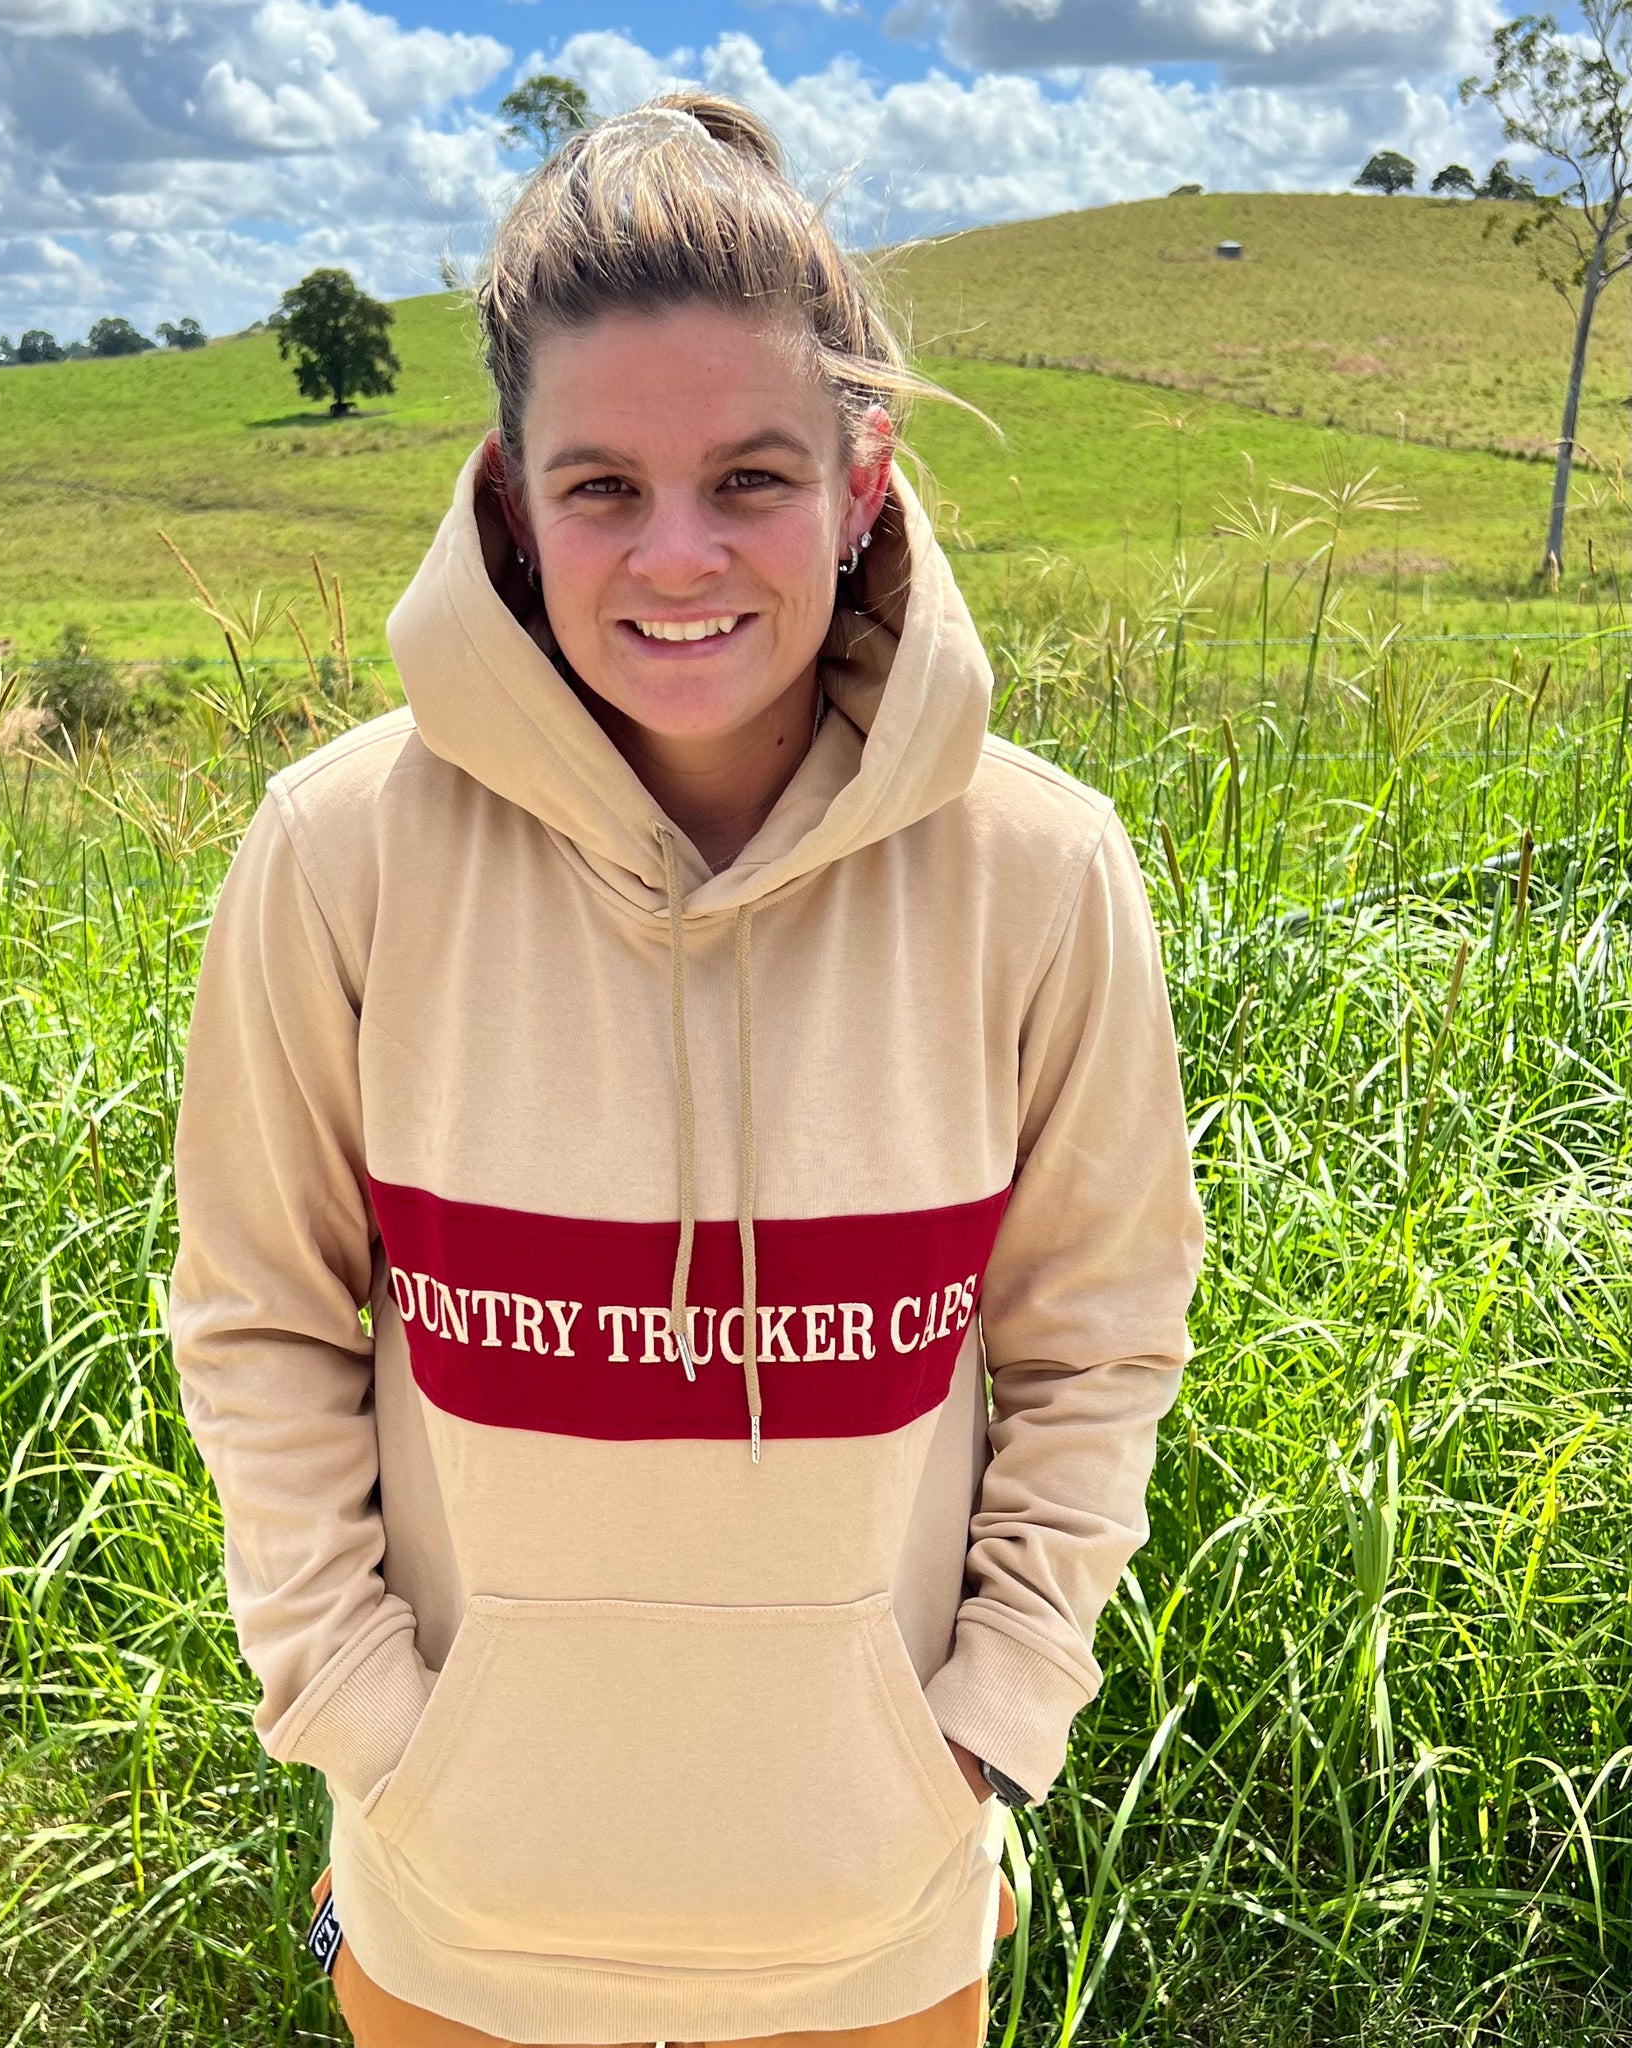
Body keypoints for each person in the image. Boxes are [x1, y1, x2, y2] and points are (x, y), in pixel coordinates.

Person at [169, 90, 1205, 2048]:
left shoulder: (1039, 871)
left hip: (876, 1927)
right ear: (507, 498)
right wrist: (376, 1731)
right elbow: (259, 1326)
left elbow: (1099, 1338)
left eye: (748, 477)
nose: (676, 556)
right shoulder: (334, 857)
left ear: (861, 479)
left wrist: (985, 1726)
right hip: (456, 1920)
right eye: (601, 486)